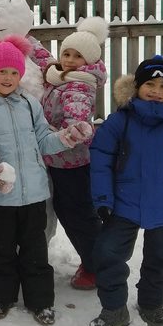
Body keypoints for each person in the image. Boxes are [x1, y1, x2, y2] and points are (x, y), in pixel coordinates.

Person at [0, 35, 92, 325]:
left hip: (33, 194)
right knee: (2, 248)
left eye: (14, 72)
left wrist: (66, 137)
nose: (8, 77)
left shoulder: (30, 104)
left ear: (20, 74)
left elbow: (43, 141)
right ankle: (1, 297)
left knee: (35, 249)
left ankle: (40, 301)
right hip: (0, 195)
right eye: (1, 72)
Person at [87, 54, 163, 326]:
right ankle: (114, 309)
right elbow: (101, 158)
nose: (156, 91)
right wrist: (103, 199)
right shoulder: (120, 120)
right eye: (150, 84)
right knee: (108, 254)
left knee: (162, 259)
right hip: (124, 202)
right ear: (137, 87)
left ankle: (152, 305)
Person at [41, 17, 108, 290]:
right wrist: (26, 42)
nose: (69, 60)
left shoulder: (78, 86)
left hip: (72, 164)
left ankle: (97, 267)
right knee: (72, 212)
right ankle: (97, 260)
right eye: (66, 53)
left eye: (77, 56)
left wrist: (48, 132)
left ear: (88, 61)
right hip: (59, 161)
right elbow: (43, 60)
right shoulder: (62, 76)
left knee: (77, 215)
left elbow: (76, 127)